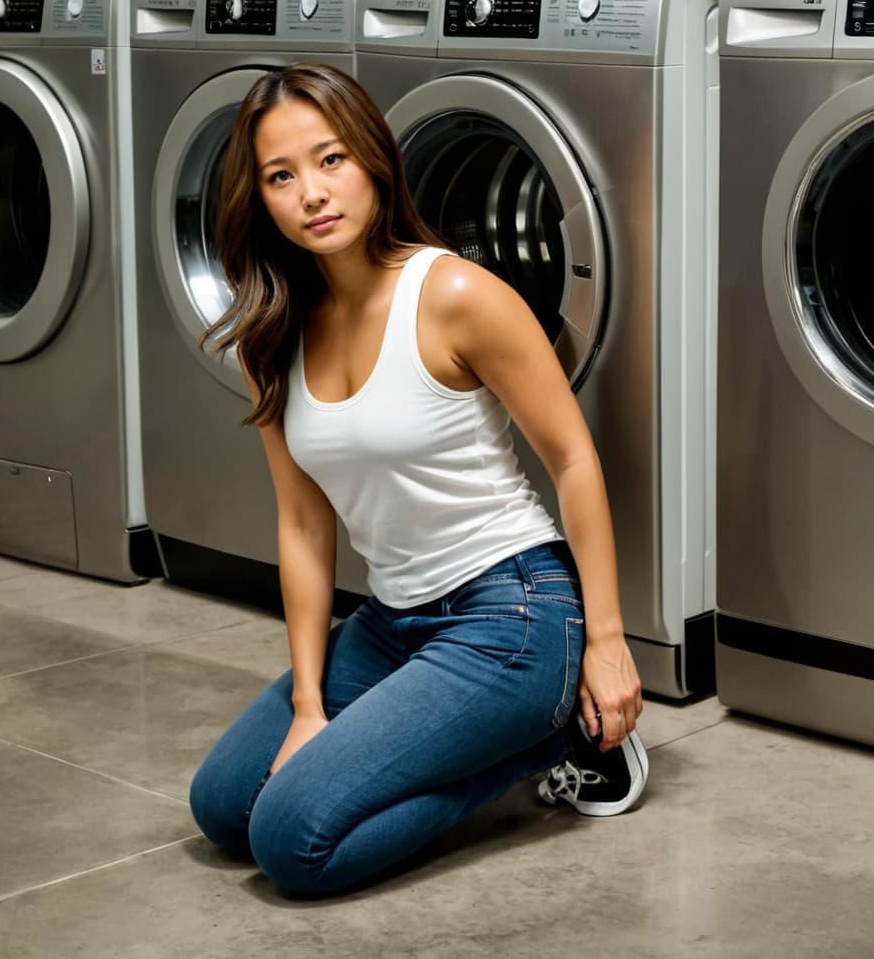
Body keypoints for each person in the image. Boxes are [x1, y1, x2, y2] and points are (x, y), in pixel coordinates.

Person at [189, 62, 647, 897]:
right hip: (388, 624)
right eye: (281, 176)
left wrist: (609, 642)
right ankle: (505, 733)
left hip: (511, 613)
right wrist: (308, 710)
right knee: (224, 808)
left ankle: (552, 738)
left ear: (371, 158)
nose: (313, 194)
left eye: (331, 160)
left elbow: (573, 459)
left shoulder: (455, 294)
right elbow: (301, 524)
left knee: (291, 843)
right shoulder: (276, 332)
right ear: (259, 200)